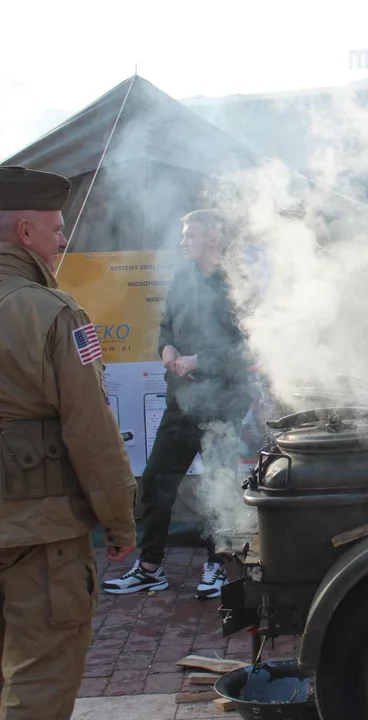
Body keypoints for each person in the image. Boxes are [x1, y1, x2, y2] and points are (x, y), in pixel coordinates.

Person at [0, 166, 137, 718]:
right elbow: (90, 429)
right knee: (38, 682)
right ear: (24, 232)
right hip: (41, 535)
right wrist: (121, 521)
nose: (63, 241)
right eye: (57, 229)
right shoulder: (53, 313)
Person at [103, 209, 253, 600]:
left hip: (223, 403)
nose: (183, 241)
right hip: (181, 401)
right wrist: (167, 347)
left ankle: (218, 564)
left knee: (218, 486)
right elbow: (166, 325)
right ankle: (150, 567)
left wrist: (200, 361)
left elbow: (248, 345)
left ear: (214, 237)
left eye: (190, 235)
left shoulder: (238, 282)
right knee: (156, 479)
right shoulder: (183, 278)